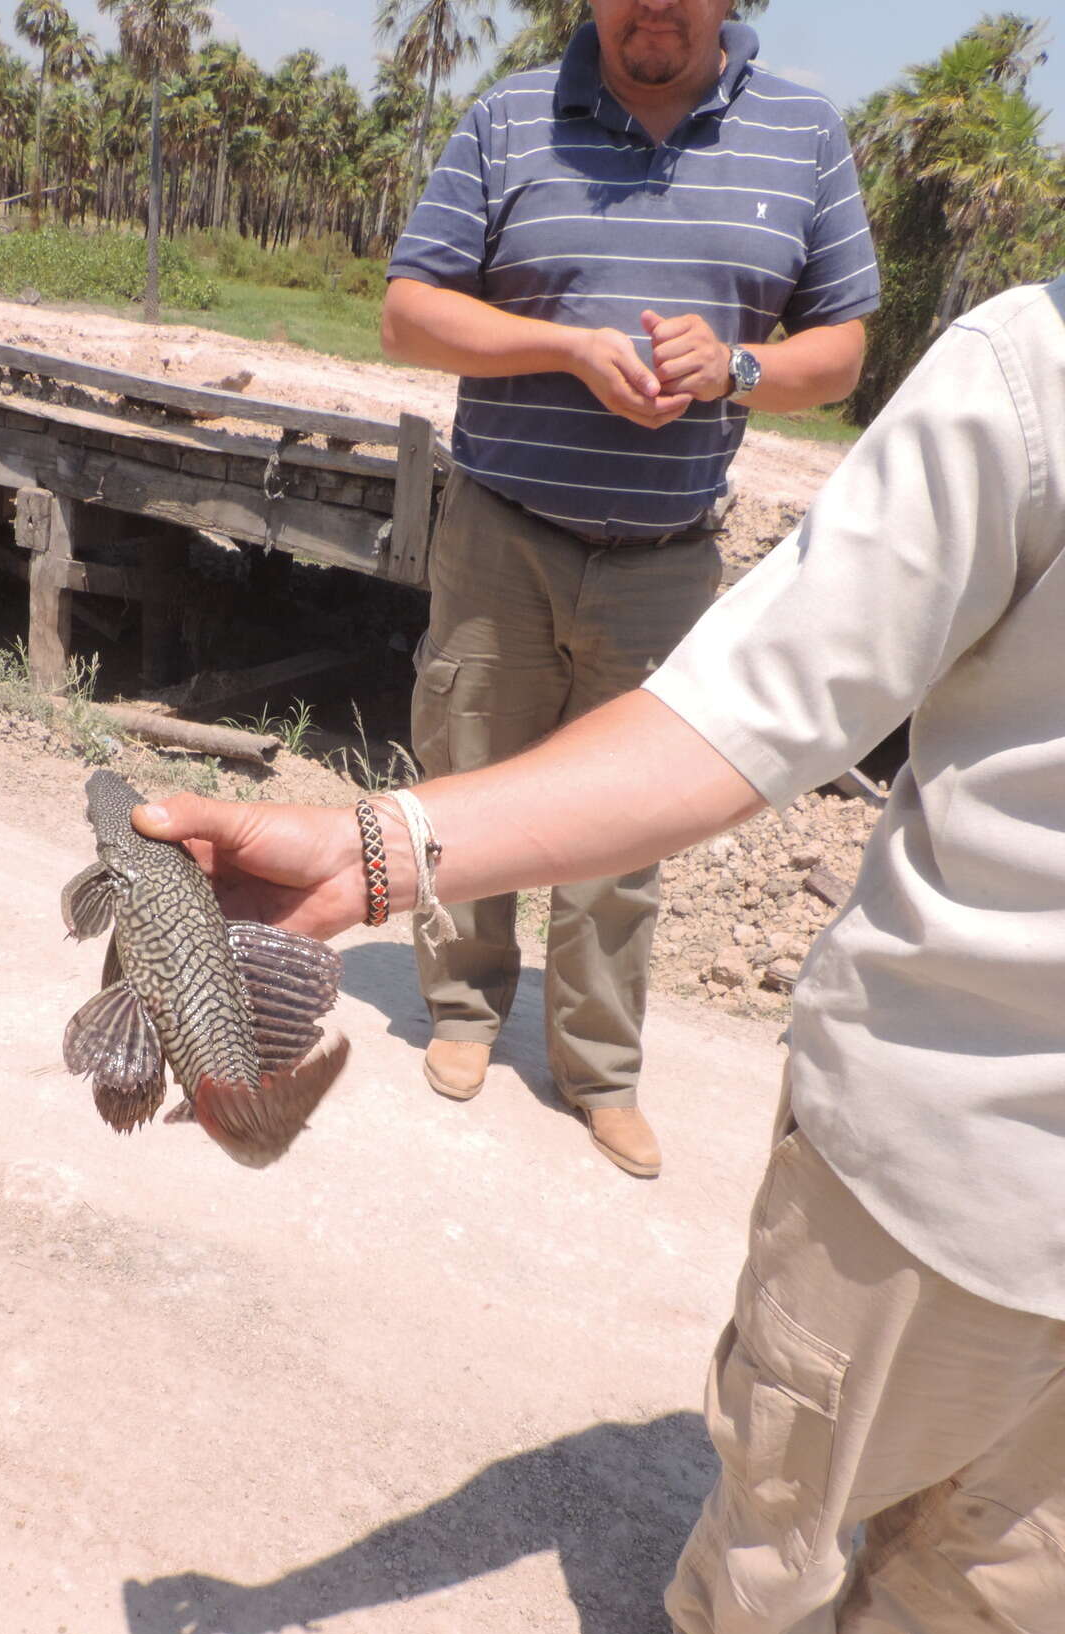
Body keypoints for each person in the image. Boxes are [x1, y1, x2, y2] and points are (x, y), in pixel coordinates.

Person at [126, 275, 1065, 1634]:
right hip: (944, 1126)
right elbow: (752, 703)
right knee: (800, 1464)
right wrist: (378, 854)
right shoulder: (1039, 372)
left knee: (1023, 1543)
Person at [381, 0, 878, 1178]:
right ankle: (459, 1008)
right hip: (504, 528)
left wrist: (738, 365)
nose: (656, 5)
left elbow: (845, 347)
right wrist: (566, 346)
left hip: (668, 557)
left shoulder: (802, 130)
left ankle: (600, 1069)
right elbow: (409, 313)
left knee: (629, 823)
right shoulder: (509, 117)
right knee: (470, 767)